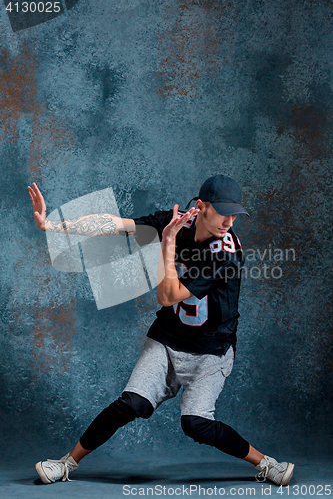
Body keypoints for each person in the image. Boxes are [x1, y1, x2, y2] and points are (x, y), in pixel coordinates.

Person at [28, 175, 294, 486]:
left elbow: (166, 296)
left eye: (235, 214)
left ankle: (267, 464)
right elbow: (115, 224)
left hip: (211, 349)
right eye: (223, 211)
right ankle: (66, 463)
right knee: (131, 405)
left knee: (195, 424)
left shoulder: (226, 252)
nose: (229, 221)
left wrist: (168, 243)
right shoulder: (174, 221)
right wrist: (52, 226)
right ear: (201, 207)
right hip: (168, 339)